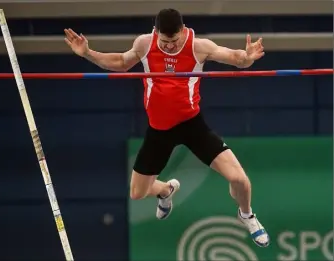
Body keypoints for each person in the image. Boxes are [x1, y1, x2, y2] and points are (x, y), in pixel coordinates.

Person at [64, 8, 269, 247]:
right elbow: (121, 62)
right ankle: (165, 190)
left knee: (241, 180)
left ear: (182, 32)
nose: (169, 46)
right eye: (164, 41)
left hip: (192, 126)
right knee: (137, 193)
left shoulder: (197, 46)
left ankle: (247, 215)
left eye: (173, 42)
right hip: (159, 130)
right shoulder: (144, 44)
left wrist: (247, 58)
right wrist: (87, 53)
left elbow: (234, 57)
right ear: (156, 32)